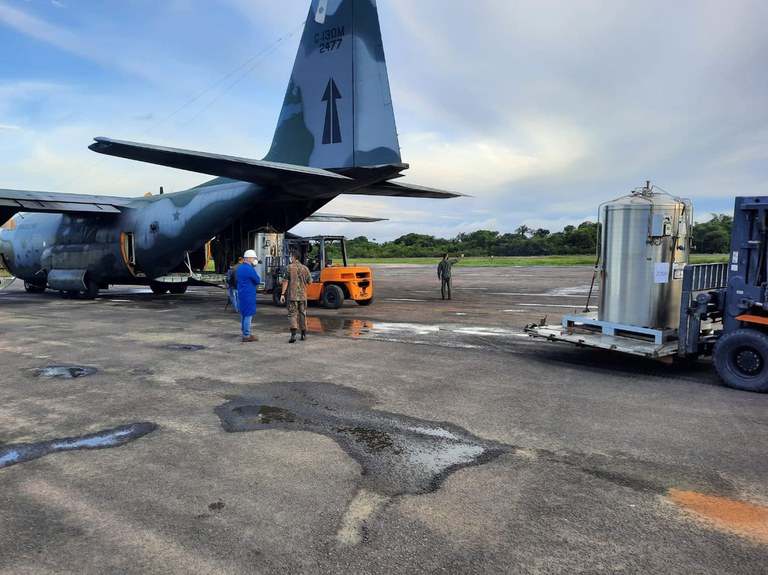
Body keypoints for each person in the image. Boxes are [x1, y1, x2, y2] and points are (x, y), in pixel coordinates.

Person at [280, 250, 313, 343]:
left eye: (291, 256)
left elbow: (285, 281)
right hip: (303, 295)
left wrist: (282, 294)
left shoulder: (289, 268)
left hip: (292, 296)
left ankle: (293, 335)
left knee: (292, 314)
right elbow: (310, 281)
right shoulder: (305, 268)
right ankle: (303, 335)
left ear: (293, 257)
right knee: (303, 313)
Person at [237, 250, 261, 342]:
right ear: (250, 258)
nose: (255, 260)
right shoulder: (249, 269)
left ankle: (244, 332)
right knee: (248, 314)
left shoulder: (240, 268)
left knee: (244, 314)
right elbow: (257, 280)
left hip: (242, 293)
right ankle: (246, 335)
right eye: (254, 258)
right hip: (249, 294)